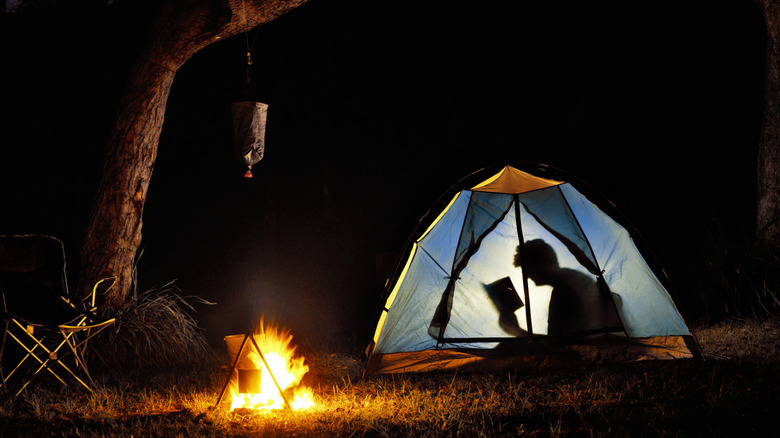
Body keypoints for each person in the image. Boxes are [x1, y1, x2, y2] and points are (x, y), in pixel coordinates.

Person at [514, 239, 621, 337]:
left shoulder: (563, 291)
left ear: (539, 264)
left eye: (526, 269)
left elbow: (557, 344)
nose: (527, 276)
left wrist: (516, 330)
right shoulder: (574, 279)